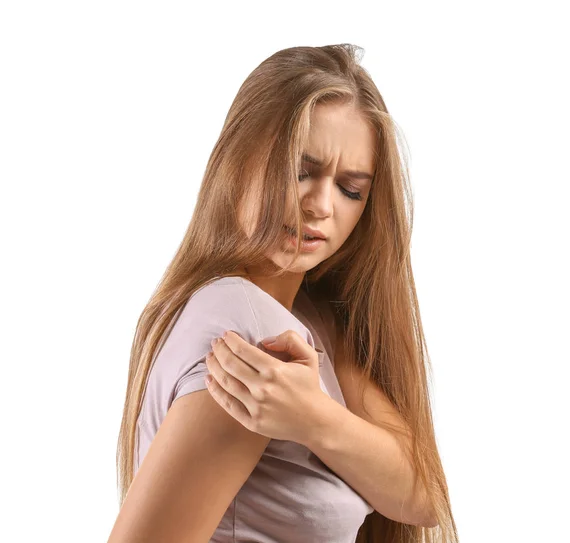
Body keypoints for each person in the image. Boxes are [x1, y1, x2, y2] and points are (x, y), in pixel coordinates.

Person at [108, 44, 458, 543]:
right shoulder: (243, 323)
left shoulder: (313, 322)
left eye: (351, 189)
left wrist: (312, 416)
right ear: (238, 158)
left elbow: (424, 497)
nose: (320, 205)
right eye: (301, 171)